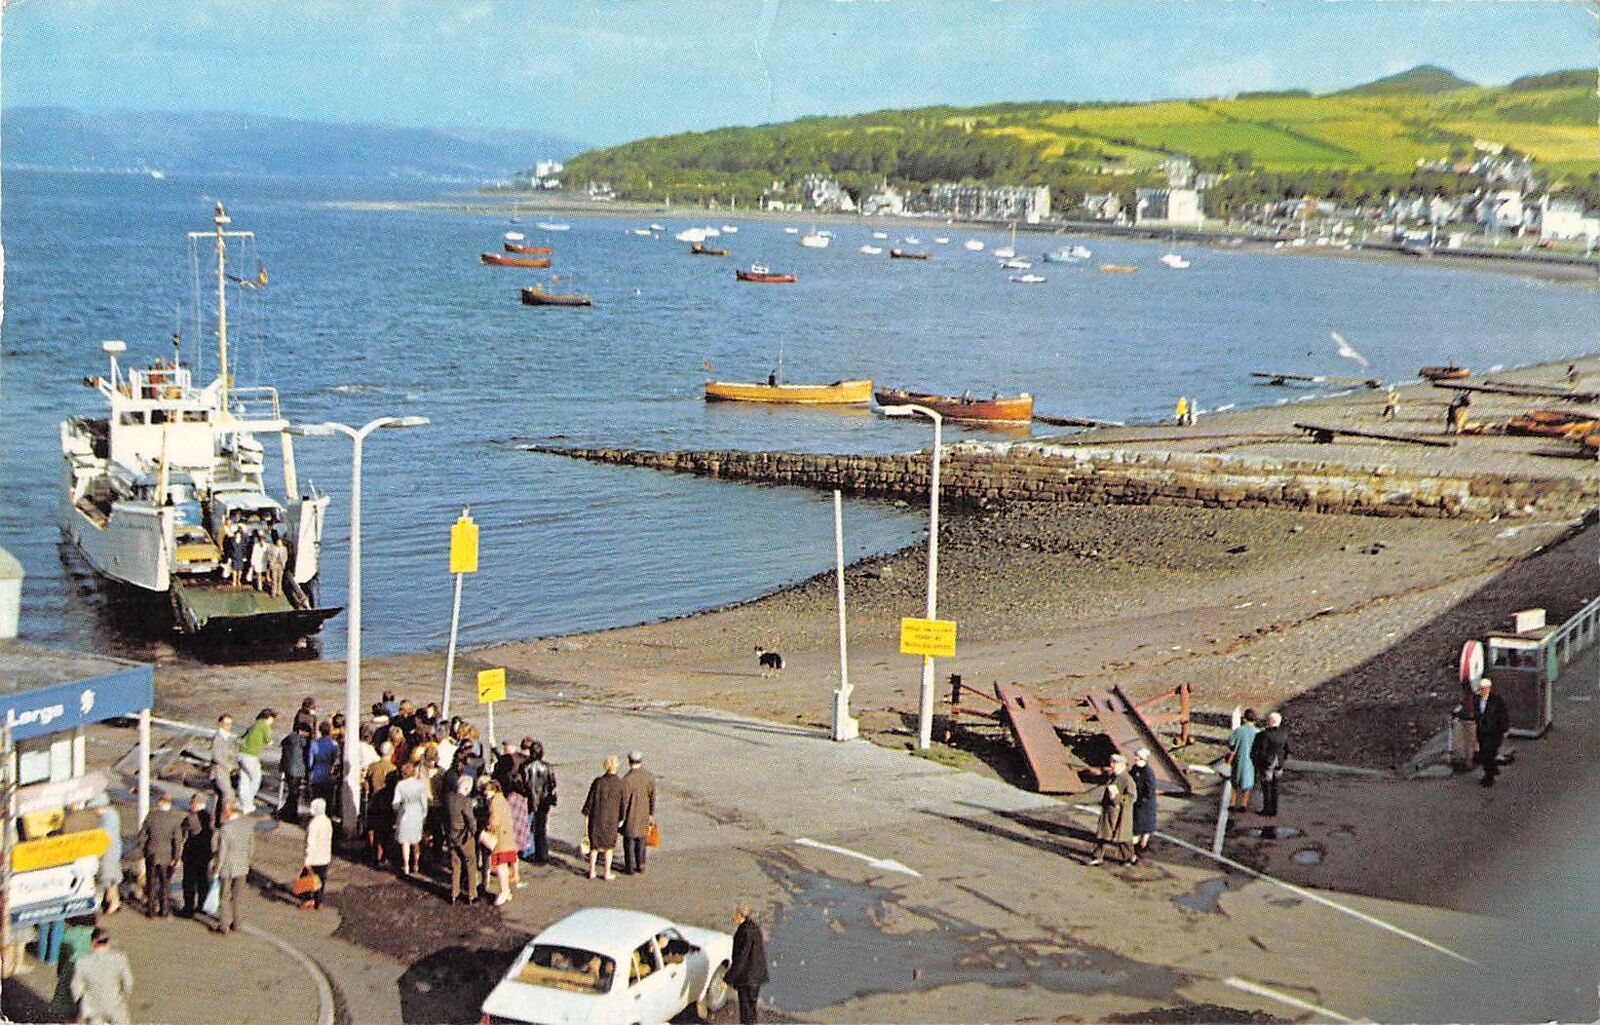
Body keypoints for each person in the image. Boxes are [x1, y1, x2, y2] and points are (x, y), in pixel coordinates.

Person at [134, 791, 185, 917]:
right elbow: (177, 840)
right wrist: (177, 857)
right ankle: (164, 910)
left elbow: (142, 836)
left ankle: (151, 910)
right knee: (165, 883)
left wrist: (142, 850)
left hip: (151, 853)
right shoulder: (175, 819)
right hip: (167, 856)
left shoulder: (151, 816)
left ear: (160, 802)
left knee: (151, 882)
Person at [70, 928, 134, 1025]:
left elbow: (76, 987)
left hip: (92, 1006)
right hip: (114, 1004)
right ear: (108, 942)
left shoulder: (82, 961)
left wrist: (78, 1002)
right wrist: (124, 996)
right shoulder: (120, 958)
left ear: (93, 942)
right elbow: (128, 982)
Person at [1088, 752, 1138, 866]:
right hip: (1109, 811)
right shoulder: (1113, 776)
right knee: (1103, 834)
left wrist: (1117, 798)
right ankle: (1097, 856)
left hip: (1121, 813)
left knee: (1123, 838)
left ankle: (1130, 857)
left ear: (1121, 765)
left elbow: (1132, 797)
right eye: (1111, 762)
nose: (1111, 764)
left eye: (1114, 762)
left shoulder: (1127, 779)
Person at [212, 801, 254, 934]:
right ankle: (237, 923)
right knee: (237, 897)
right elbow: (251, 848)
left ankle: (223, 925)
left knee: (224, 896)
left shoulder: (226, 829)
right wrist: (247, 861)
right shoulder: (247, 826)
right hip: (242, 867)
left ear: (229, 812)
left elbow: (222, 852)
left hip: (227, 867)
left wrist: (216, 869)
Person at [581, 755, 625, 881]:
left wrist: (586, 813)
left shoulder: (598, 782)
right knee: (609, 848)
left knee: (594, 847)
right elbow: (622, 804)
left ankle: (592, 871)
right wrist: (621, 818)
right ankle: (607, 872)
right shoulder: (620, 784)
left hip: (596, 818)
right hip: (611, 819)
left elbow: (589, 801)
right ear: (616, 766)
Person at [726, 903, 769, 1024]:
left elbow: (741, 959)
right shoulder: (753, 928)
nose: (733, 917)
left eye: (735, 914)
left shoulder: (745, 932)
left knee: (746, 1012)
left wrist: (728, 979)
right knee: (751, 1009)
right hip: (755, 976)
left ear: (740, 915)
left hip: (747, 978)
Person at [442, 773, 480, 904]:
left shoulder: (448, 798)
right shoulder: (465, 802)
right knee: (470, 863)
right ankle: (472, 894)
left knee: (455, 863)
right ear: (467, 789)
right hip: (464, 837)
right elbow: (470, 820)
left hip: (450, 835)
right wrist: (474, 832)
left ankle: (454, 893)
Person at [620, 750, 657, 875]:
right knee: (641, 839)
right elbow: (652, 797)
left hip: (630, 814)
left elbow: (623, 801)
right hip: (644, 812)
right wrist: (651, 813)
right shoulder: (649, 777)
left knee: (629, 840)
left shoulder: (626, 779)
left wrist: (621, 817)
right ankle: (641, 863)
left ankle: (629, 867)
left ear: (629, 761)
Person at [521, 739, 557, 864]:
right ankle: (543, 854)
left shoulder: (526, 766)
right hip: (544, 801)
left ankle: (532, 852)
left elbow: (524, 785)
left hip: (530, 800)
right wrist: (552, 799)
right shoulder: (547, 767)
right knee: (542, 828)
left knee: (531, 827)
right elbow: (552, 785)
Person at [483, 779, 519, 905]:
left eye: (487, 790)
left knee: (500, 866)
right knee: (504, 865)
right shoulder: (502, 800)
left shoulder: (495, 803)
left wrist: (486, 828)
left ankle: (504, 891)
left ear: (494, 790)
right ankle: (507, 891)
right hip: (507, 837)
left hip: (500, 839)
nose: (485, 793)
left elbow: (494, 822)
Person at [236, 707, 276, 815]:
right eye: (272, 719)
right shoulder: (263, 725)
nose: (273, 721)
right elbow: (269, 741)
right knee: (256, 778)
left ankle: (242, 803)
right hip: (251, 756)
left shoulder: (254, 724)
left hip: (241, 754)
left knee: (244, 779)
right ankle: (248, 803)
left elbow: (241, 737)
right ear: (268, 717)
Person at [392, 761, 429, 876]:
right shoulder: (420, 784)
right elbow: (424, 802)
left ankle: (406, 864)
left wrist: (398, 812)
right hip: (417, 813)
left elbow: (395, 803)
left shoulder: (400, 785)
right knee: (416, 841)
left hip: (405, 813)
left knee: (405, 842)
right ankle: (416, 863)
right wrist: (424, 813)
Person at [179, 794, 214, 917]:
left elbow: (183, 833)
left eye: (191, 803)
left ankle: (189, 908)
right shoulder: (209, 818)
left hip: (192, 854)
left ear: (196, 804)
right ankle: (201, 905)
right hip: (205, 854)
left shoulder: (191, 818)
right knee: (203, 881)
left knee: (189, 881)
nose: (190, 806)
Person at [1472, 678, 1510, 787]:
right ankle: (1492, 769)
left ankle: (1489, 776)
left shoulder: (1496, 701)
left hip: (1494, 732)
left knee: (1488, 753)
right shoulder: (1476, 700)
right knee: (1485, 752)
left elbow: (1503, 715)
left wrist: (1504, 729)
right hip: (1482, 731)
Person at [1252, 712, 1290, 816]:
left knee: (1266, 786)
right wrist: (1283, 759)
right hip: (1279, 762)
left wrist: (1257, 762)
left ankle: (1267, 808)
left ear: (1271, 721)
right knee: (1275, 786)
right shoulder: (1284, 733)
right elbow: (1287, 748)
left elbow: (1261, 750)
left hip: (1267, 762)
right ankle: (1274, 809)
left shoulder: (1264, 734)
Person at [92, 795, 123, 915]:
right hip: (114, 851)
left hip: (108, 853)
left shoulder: (106, 818)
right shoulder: (113, 814)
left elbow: (103, 836)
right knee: (112, 881)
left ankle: (113, 903)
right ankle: (115, 903)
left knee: (108, 881)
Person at [301, 797, 333, 910]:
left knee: (306, 879)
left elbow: (310, 843)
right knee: (321, 880)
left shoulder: (313, 824)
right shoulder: (327, 822)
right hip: (324, 857)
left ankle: (308, 899)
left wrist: (307, 860)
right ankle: (319, 902)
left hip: (314, 858)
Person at [1226, 709, 1260, 811]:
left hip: (1238, 758)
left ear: (1244, 719)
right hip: (1251, 761)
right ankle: (1243, 804)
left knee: (1234, 782)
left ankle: (1232, 803)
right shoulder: (1257, 732)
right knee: (1248, 783)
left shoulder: (1238, 731)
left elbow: (1231, 743)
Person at [279, 721, 311, 823]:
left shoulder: (288, 738)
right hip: (297, 770)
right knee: (294, 793)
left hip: (287, 768)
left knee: (292, 792)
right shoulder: (301, 740)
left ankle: (284, 812)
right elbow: (306, 754)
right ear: (302, 731)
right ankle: (291, 815)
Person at [307, 720, 340, 811]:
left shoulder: (314, 743)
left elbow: (310, 762)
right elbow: (336, 760)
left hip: (317, 773)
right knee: (328, 799)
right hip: (328, 773)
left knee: (316, 798)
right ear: (330, 731)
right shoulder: (333, 744)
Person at [1130, 747, 1158, 852]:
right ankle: (1138, 846)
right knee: (1138, 826)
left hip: (1145, 804)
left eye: (1137, 757)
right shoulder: (1135, 769)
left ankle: (1141, 845)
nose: (1135, 758)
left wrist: (1141, 799)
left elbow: (1150, 790)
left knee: (1143, 826)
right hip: (1138, 802)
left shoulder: (1148, 773)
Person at [211, 713, 239, 813]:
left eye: (230, 724)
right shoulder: (218, 737)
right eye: (226, 723)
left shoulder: (228, 737)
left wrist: (235, 765)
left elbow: (231, 755)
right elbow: (216, 756)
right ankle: (226, 817)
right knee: (228, 793)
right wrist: (228, 765)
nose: (228, 726)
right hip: (218, 771)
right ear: (220, 724)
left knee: (219, 797)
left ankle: (217, 820)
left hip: (225, 772)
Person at [267, 531, 289, 597]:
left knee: (280, 579)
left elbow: (285, 557)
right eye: (278, 542)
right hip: (274, 564)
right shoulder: (272, 548)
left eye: (280, 542)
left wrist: (284, 563)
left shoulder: (284, 548)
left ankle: (279, 591)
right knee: (274, 578)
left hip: (281, 565)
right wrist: (270, 562)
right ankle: (273, 591)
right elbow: (269, 555)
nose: (279, 543)